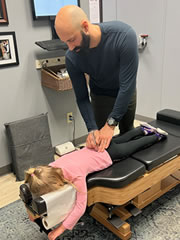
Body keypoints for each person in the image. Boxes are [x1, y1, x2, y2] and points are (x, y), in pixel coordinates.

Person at [25, 124, 168, 240]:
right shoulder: (50, 167)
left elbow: (80, 207)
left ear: (56, 185)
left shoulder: (76, 175)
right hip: (99, 145)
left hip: (112, 154)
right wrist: (33, 212)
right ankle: (142, 129)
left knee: (134, 146)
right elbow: (40, 182)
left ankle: (156, 136)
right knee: (122, 138)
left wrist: (60, 229)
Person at [55, 5, 139, 152]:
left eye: (72, 39)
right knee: (101, 143)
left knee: (129, 134)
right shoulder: (72, 58)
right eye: (65, 42)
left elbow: (127, 86)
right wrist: (92, 128)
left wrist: (111, 124)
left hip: (125, 91)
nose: (70, 47)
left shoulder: (124, 36)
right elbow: (82, 97)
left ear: (85, 27)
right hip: (100, 96)